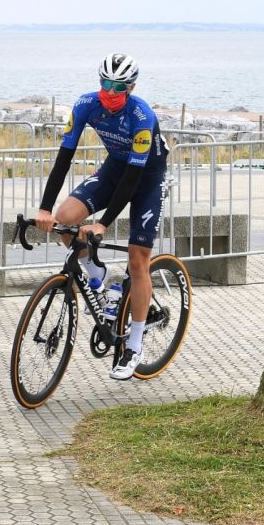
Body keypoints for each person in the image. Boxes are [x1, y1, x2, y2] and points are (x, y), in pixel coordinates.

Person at [36, 53, 168, 380]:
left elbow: (133, 179)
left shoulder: (142, 116)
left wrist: (102, 223)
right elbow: (64, 158)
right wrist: (44, 208)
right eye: (105, 83)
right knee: (66, 218)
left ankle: (133, 346)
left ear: (131, 87)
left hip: (147, 179)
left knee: (137, 261)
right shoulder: (86, 105)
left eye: (118, 86)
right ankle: (97, 273)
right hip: (114, 170)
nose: (110, 91)